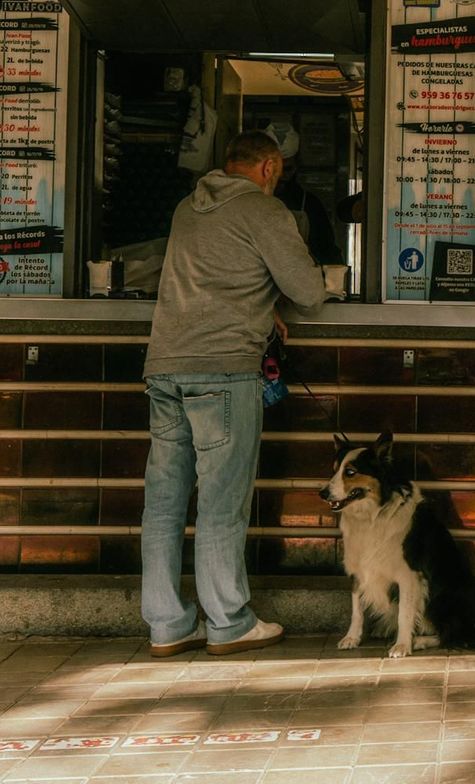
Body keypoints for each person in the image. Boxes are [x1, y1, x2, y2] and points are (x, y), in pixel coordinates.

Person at [141, 131, 325, 657]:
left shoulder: (186, 207)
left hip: (165, 367)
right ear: (268, 167)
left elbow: (211, 277)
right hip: (222, 371)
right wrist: (275, 301)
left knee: (164, 503)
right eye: (279, 172)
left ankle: (167, 626)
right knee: (222, 503)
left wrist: (262, 305)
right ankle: (227, 621)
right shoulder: (264, 213)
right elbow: (309, 291)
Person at [264, 121, 343, 266]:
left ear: (297, 166)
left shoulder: (309, 205)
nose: (280, 176)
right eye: (275, 170)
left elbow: (328, 253)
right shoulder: (249, 202)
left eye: (287, 170)